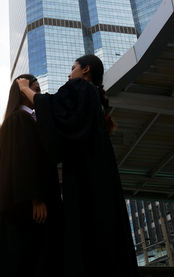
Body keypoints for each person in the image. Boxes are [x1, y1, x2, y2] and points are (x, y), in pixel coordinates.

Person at [17, 55, 139, 277]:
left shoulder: (80, 86)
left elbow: (52, 108)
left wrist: (25, 89)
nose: (69, 74)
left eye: (73, 68)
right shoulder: (97, 98)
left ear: (86, 69)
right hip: (104, 174)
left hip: (85, 174)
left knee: (84, 232)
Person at [0, 74, 62, 277]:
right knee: (32, 262)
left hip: (31, 206)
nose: (37, 93)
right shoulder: (19, 120)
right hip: (28, 209)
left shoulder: (28, 119)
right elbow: (23, 161)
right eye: (35, 88)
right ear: (22, 92)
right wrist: (36, 198)